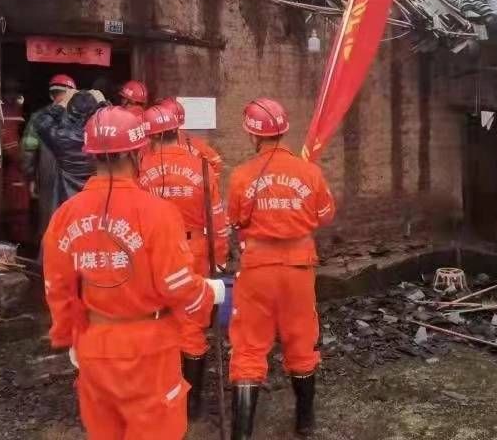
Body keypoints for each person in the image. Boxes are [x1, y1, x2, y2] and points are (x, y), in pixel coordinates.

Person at [42, 106, 226, 439]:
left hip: (93, 345)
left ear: (90, 155)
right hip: (149, 348)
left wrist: (68, 335)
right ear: (137, 151)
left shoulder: (65, 216)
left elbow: (57, 286)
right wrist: (211, 292)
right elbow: (176, 285)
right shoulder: (157, 214)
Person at [226, 98, 335, 439]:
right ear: (284, 130)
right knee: (302, 340)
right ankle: (305, 423)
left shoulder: (242, 176)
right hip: (299, 268)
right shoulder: (310, 172)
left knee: (247, 346)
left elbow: (235, 219)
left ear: (252, 135)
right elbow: (324, 215)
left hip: (257, 268)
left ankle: (242, 434)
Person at [138, 104, 230, 419]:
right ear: (177, 130)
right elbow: (217, 219)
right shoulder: (200, 165)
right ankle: (190, 406)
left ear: (149, 136)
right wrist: (220, 258)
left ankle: (160, 394)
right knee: (192, 324)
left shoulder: (139, 169)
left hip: (153, 252)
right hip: (195, 248)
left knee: (156, 319)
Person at [22, 74, 76, 243]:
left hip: (46, 177)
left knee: (48, 221)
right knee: (73, 222)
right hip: (74, 180)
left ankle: (46, 263)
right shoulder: (80, 118)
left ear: (52, 94)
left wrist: (31, 177)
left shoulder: (38, 117)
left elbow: (28, 151)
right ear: (71, 93)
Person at [35, 90, 104, 210]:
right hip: (96, 200)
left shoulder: (62, 137)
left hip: (68, 201)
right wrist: (103, 103)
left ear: (70, 111)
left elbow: (41, 121)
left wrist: (61, 105)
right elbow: (120, 121)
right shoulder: (103, 136)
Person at [158, 97, 224, 180]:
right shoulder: (193, 142)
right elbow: (215, 161)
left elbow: (215, 161)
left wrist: (207, 184)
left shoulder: (193, 143)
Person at [0, 80, 31, 247]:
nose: (12, 95)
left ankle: (19, 243)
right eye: (8, 91)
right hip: (11, 167)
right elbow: (10, 144)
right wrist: (25, 162)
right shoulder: (4, 111)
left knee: (18, 209)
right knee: (14, 208)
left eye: (15, 91)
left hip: (16, 168)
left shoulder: (17, 109)